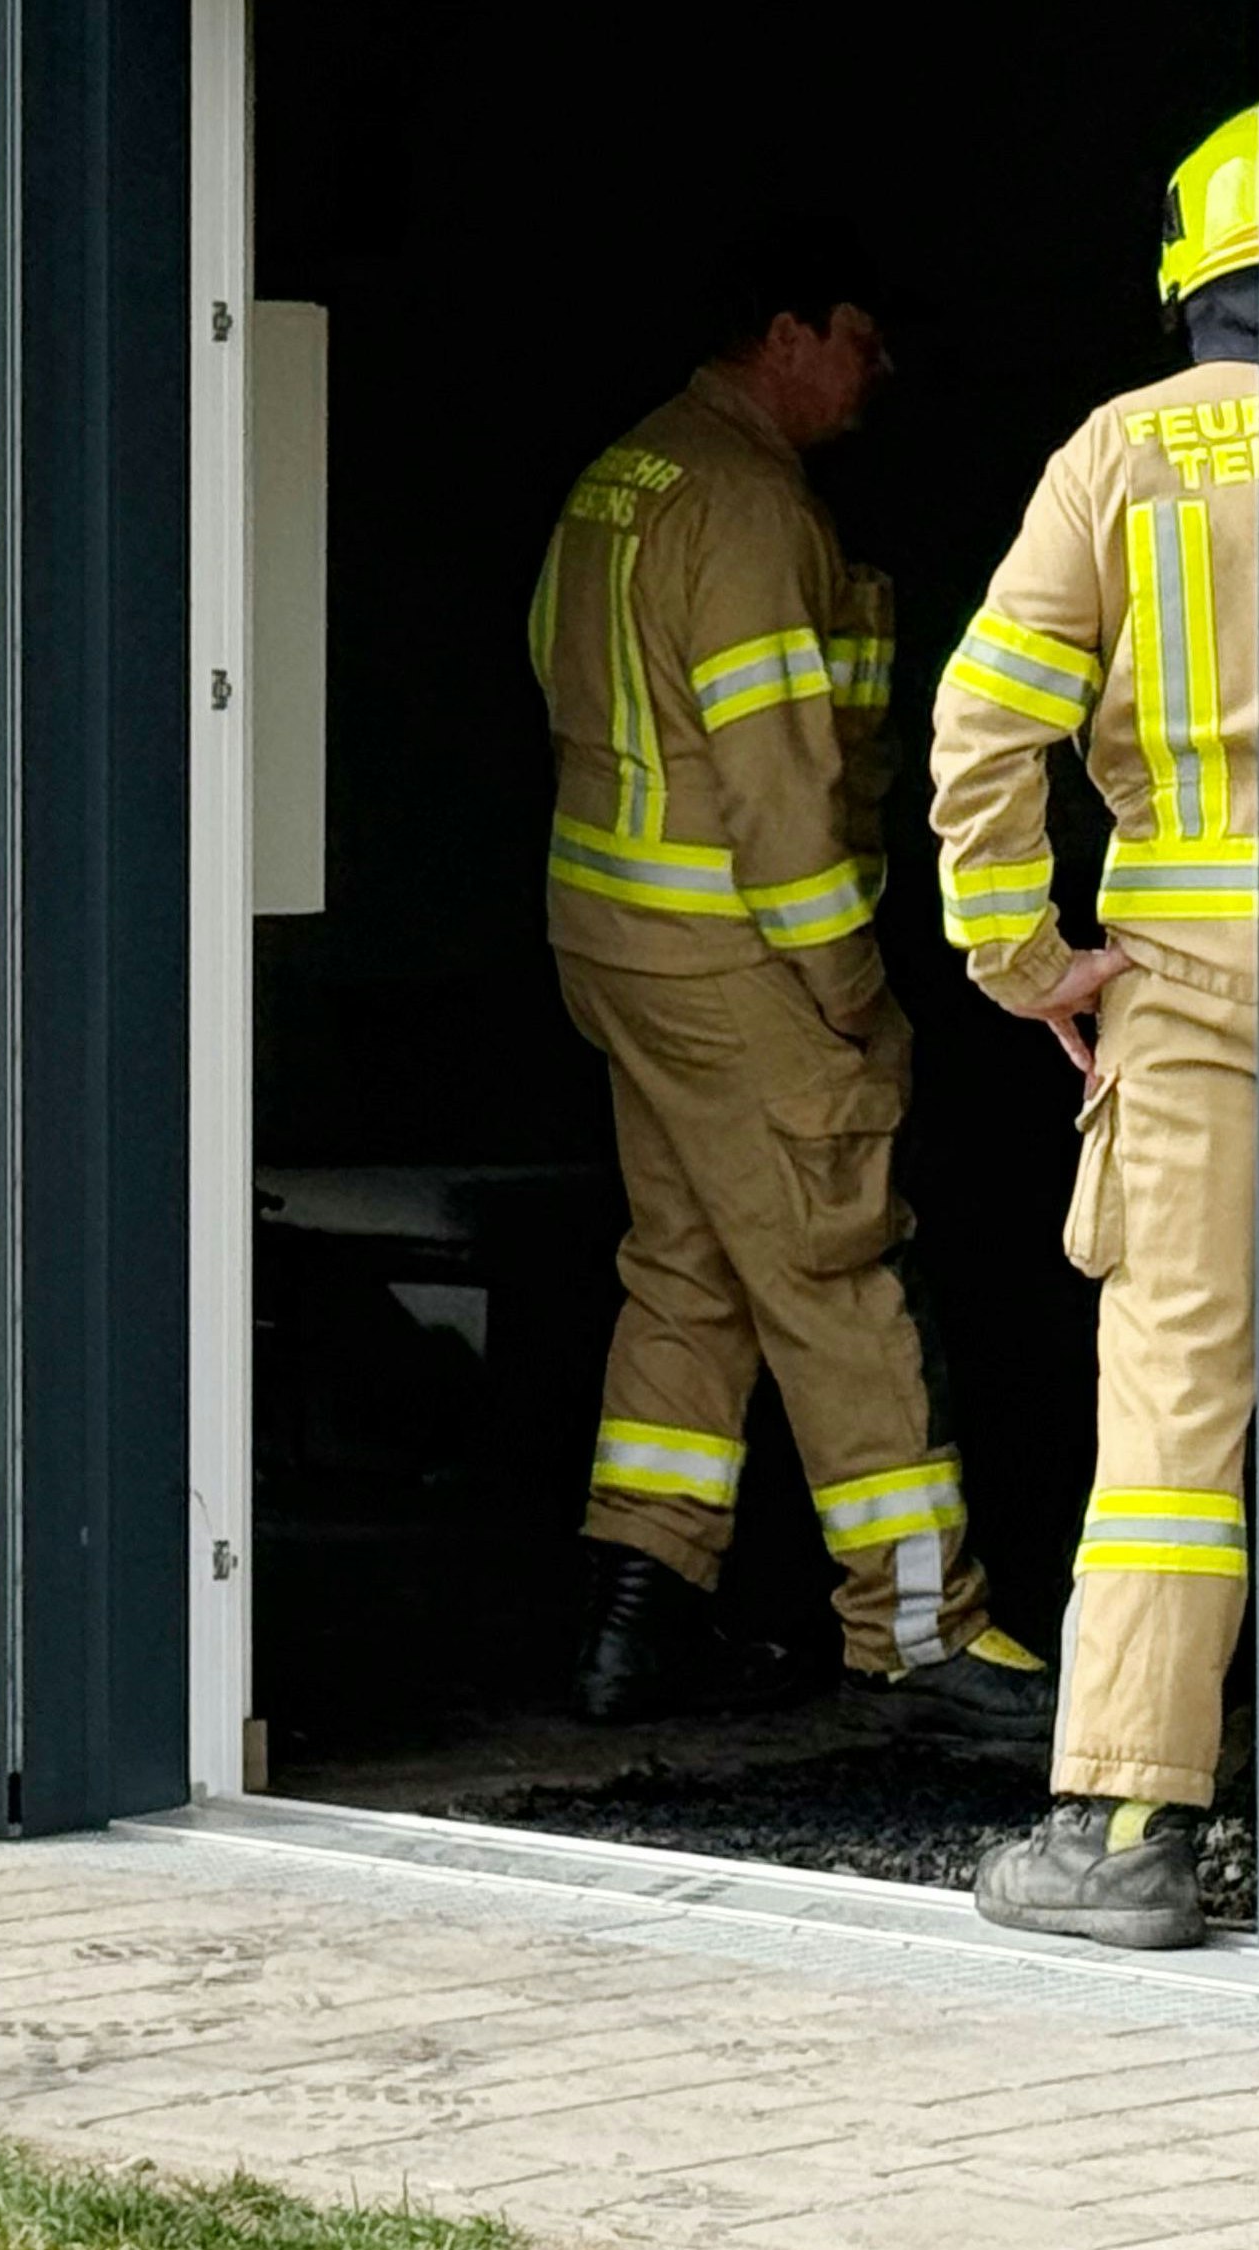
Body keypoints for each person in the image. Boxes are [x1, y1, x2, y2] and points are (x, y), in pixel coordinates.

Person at [528, 250, 1056, 1742]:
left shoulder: (624, 472)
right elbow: (780, 789)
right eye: (860, 338)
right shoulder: (753, 510)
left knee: (687, 1269)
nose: (877, 372)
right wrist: (845, 986)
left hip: (617, 948)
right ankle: (921, 1636)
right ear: (784, 332)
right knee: (837, 1268)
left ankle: (637, 1618)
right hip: (737, 960)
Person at [940, 107, 1259, 1948]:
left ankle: (1132, 1823)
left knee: (1174, 1414)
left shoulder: (1119, 454)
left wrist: (1023, 956)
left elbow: (983, 728)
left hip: (1190, 999)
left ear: (1189, 277)